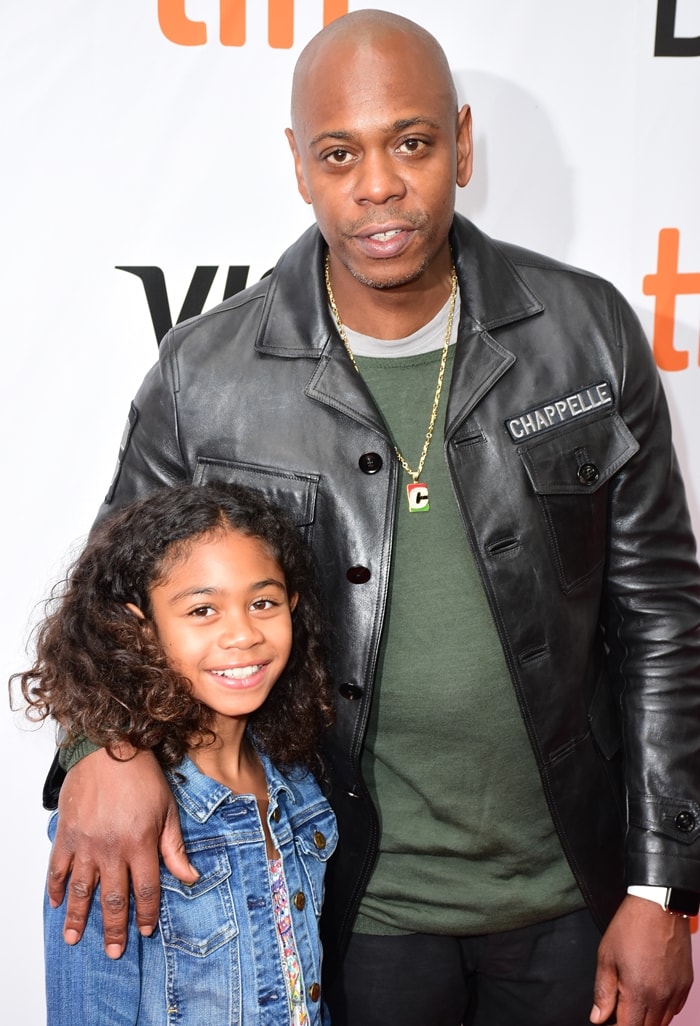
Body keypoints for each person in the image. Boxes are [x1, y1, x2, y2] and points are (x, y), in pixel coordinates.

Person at [39, 9, 700, 1026]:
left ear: (463, 144)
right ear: (299, 166)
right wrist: (102, 750)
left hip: (574, 897)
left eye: (413, 142)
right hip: (343, 905)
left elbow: (661, 616)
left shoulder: (587, 333)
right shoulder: (206, 373)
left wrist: (664, 888)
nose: (379, 185)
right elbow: (112, 604)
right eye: (340, 153)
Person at [14, 482, 337, 1025]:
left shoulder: (296, 780)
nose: (242, 634)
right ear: (139, 626)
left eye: (263, 602)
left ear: (293, 605)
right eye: (203, 609)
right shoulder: (116, 824)